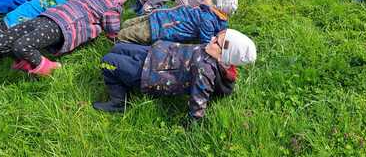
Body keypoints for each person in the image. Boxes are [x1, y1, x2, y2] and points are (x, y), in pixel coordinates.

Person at [92, 28, 257, 122]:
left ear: (224, 56)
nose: (212, 39)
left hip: (149, 73)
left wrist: (193, 124)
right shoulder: (212, 52)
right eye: (216, 36)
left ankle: (119, 102)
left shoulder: (205, 70)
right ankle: (122, 81)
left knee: (108, 62)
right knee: (119, 48)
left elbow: (198, 101)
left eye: (217, 42)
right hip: (155, 54)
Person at [0, 0, 128, 76]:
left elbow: (111, 23)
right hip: (45, 17)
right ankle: (25, 62)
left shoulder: (111, 6)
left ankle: (48, 67)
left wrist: (113, 36)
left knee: (21, 46)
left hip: (62, 26)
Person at [115, 0, 237, 45]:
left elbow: (205, 42)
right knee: (126, 23)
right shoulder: (206, 11)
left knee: (123, 35)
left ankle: (118, 47)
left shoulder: (207, 21)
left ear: (216, 5)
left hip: (159, 29)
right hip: (159, 17)